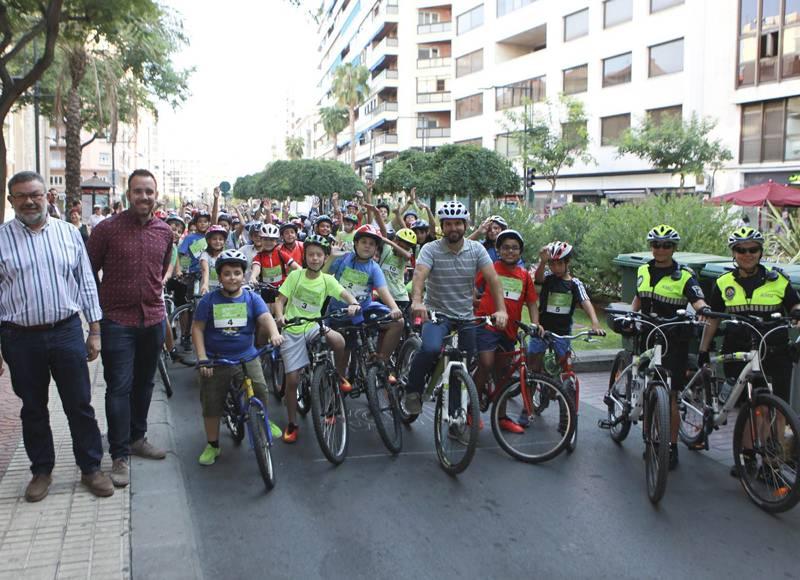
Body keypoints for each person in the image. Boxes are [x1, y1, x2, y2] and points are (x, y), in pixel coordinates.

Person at [0, 171, 114, 501]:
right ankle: (41, 470)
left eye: (35, 194)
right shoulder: (2, 239)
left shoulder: (68, 233)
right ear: (11, 201)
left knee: (79, 403)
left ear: (46, 196)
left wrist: (94, 330)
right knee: (33, 407)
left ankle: (91, 467)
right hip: (20, 338)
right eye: (21, 196)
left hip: (66, 332)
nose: (29, 201)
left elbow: (86, 283)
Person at [87, 169, 174, 488]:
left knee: (145, 385)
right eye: (138, 191)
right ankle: (119, 455)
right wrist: (94, 321)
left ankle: (138, 438)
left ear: (156, 194)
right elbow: (88, 273)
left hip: (151, 319)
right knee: (118, 388)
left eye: (149, 192)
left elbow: (160, 271)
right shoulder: (107, 230)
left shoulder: (165, 232)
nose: (144, 197)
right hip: (116, 321)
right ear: (128, 194)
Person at [699, 226, 800, 475]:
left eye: (753, 249)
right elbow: (712, 319)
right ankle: (747, 456)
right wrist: (703, 349)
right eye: (741, 250)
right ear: (734, 253)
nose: (747, 254)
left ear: (760, 251)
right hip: (740, 348)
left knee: (775, 407)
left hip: (774, 348)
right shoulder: (723, 283)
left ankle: (771, 461)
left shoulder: (779, 280)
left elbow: (795, 305)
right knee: (752, 406)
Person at [405, 201, 509, 414]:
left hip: (465, 317)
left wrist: (502, 309)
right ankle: (413, 390)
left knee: (462, 364)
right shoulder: (430, 249)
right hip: (437, 313)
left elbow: (493, 280)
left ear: (466, 225)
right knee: (430, 349)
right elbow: (419, 275)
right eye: (448, 224)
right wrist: (417, 301)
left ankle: (454, 414)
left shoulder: (476, 249)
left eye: (458, 224)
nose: (453, 228)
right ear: (442, 226)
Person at [192, 249, 283, 465]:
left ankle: (263, 419)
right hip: (216, 359)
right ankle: (212, 445)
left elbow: (265, 318)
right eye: (227, 273)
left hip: (246, 356)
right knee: (211, 403)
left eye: (236, 273)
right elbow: (197, 329)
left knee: (260, 388)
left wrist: (275, 334)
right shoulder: (209, 301)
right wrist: (203, 358)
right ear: (220, 277)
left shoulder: (252, 298)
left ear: (243, 275)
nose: (232, 277)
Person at [271, 235, 361, 443]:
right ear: (305, 256)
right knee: (292, 380)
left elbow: (344, 293)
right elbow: (280, 300)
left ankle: (339, 376)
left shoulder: (327, 280)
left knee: (338, 341)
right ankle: (292, 423)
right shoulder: (296, 276)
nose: (314, 258)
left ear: (325, 258)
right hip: (292, 329)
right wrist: (279, 315)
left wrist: (354, 303)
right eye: (311, 254)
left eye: (319, 255)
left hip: (313, 325)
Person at [631, 225, 707, 469]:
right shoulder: (643, 269)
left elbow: (698, 301)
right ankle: (649, 441)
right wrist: (630, 316)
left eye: (666, 245)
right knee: (646, 390)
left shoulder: (684, 275)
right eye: (656, 245)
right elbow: (639, 297)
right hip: (647, 336)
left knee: (670, 395)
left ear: (674, 248)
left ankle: (671, 447)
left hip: (674, 342)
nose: (660, 249)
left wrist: (703, 311)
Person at [473, 229, 539, 433]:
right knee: (486, 363)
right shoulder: (490, 268)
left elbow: (532, 303)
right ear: (498, 250)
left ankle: (501, 416)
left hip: (509, 330)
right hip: (487, 326)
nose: (510, 251)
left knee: (503, 374)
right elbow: (473, 288)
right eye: (506, 247)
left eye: (515, 248)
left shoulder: (524, 275)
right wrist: (475, 304)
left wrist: (536, 324)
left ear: (520, 251)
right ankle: (470, 411)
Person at [527, 241, 604, 399]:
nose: (555, 268)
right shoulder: (548, 278)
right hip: (542, 329)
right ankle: (528, 407)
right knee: (533, 366)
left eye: (560, 264)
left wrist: (595, 322)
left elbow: (585, 301)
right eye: (552, 264)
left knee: (563, 365)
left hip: (562, 333)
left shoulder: (574, 284)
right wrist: (542, 261)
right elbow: (539, 278)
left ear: (567, 263)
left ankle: (556, 392)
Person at [250, 223, 299, 301]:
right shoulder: (258, 256)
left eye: (272, 240)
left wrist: (300, 275)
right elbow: (256, 268)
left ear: (276, 241)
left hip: (282, 287)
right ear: (261, 240)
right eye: (265, 239)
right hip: (266, 288)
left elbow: (296, 267)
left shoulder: (280, 253)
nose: (268, 242)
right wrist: (253, 277)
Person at [199, 225, 227, 295]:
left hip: (223, 289)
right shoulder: (205, 255)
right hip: (207, 289)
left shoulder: (225, 255)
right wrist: (205, 284)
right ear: (209, 241)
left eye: (220, 239)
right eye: (214, 239)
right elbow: (205, 270)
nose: (218, 241)